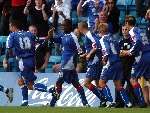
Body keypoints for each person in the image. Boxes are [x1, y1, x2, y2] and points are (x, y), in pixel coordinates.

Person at [3, 19, 54, 106]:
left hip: (23, 61)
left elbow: (9, 49)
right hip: (32, 60)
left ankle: (51, 90)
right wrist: (48, 37)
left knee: (30, 85)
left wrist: (5, 59)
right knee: (21, 81)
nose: (9, 28)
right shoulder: (29, 34)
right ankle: (25, 102)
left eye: (10, 26)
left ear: (13, 26)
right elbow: (39, 40)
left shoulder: (12, 35)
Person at [49, 19, 89, 107]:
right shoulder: (64, 36)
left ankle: (52, 104)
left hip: (68, 63)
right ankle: (85, 103)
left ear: (69, 26)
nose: (62, 27)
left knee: (58, 83)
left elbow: (80, 51)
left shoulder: (73, 37)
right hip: (66, 63)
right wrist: (50, 35)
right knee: (76, 84)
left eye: (64, 25)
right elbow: (54, 40)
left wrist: (82, 58)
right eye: (62, 25)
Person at [98, 23, 132, 108]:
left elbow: (106, 50)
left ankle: (110, 101)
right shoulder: (113, 38)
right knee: (118, 85)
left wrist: (104, 60)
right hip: (119, 63)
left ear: (101, 31)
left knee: (101, 83)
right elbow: (118, 50)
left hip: (111, 63)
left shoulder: (103, 39)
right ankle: (128, 103)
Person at [122, 15, 149, 107]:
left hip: (142, 57)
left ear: (127, 23)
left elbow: (138, 42)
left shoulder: (132, 30)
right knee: (146, 79)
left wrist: (129, 51)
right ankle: (146, 101)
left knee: (132, 79)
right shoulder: (140, 30)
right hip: (148, 54)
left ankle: (142, 103)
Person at [78, 21, 106, 107]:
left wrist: (89, 54)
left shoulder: (89, 35)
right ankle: (104, 101)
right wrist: (85, 54)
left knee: (86, 83)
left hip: (94, 62)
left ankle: (103, 98)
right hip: (96, 60)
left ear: (81, 28)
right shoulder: (89, 34)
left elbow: (97, 45)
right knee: (98, 83)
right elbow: (92, 47)